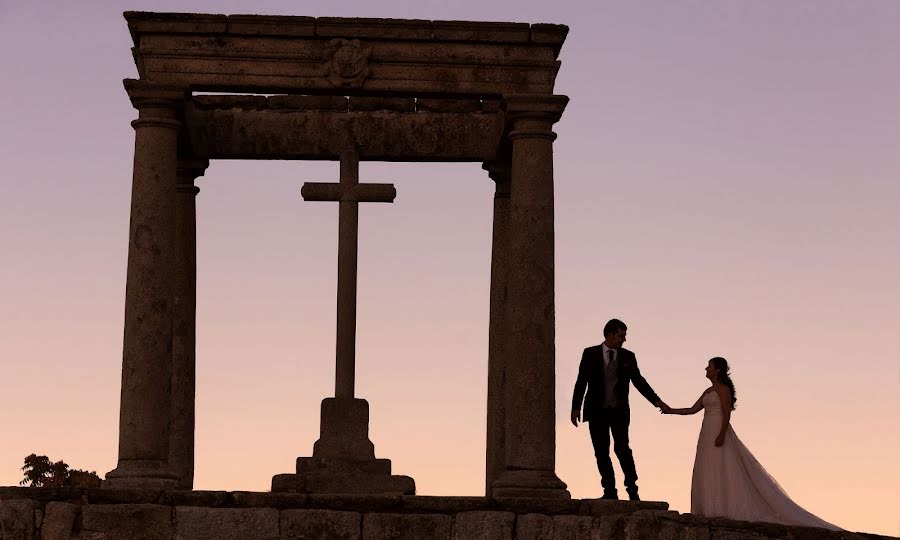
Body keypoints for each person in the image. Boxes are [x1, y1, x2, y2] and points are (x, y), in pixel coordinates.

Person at [664, 357, 840, 529]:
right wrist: (670, 410)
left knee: (723, 466)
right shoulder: (708, 392)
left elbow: (727, 413)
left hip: (718, 429)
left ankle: (723, 507)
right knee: (706, 467)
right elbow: (692, 409)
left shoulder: (723, 390)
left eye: (709, 366)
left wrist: (722, 434)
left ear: (717, 370)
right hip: (705, 433)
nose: (706, 369)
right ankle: (708, 507)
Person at [571, 319, 668, 500]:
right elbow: (581, 381)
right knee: (601, 451)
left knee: (623, 449)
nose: (624, 339)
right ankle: (609, 491)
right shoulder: (590, 353)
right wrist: (575, 407)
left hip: (619, 411)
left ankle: (632, 489)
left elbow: (639, 381)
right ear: (610, 335)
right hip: (596, 411)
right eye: (621, 336)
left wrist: (657, 401)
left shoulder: (628, 356)